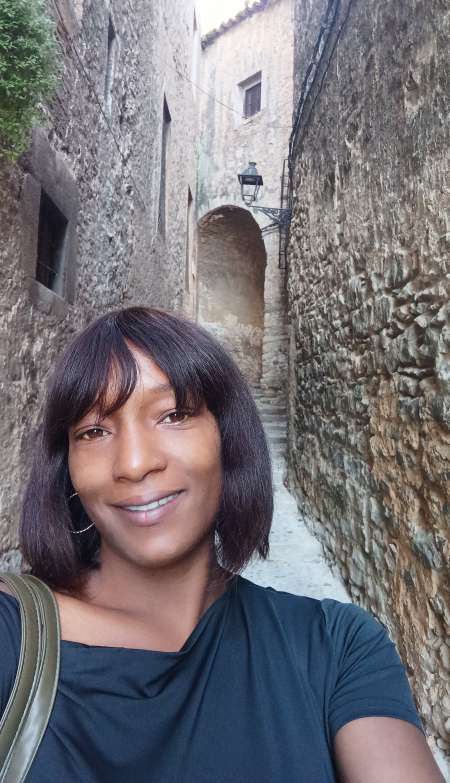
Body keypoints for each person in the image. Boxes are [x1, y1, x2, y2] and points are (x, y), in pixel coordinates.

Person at [0, 306, 445, 783]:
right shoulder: (11, 636)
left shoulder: (336, 648)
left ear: (227, 438)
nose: (133, 463)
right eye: (94, 431)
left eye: (173, 415)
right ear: (66, 469)